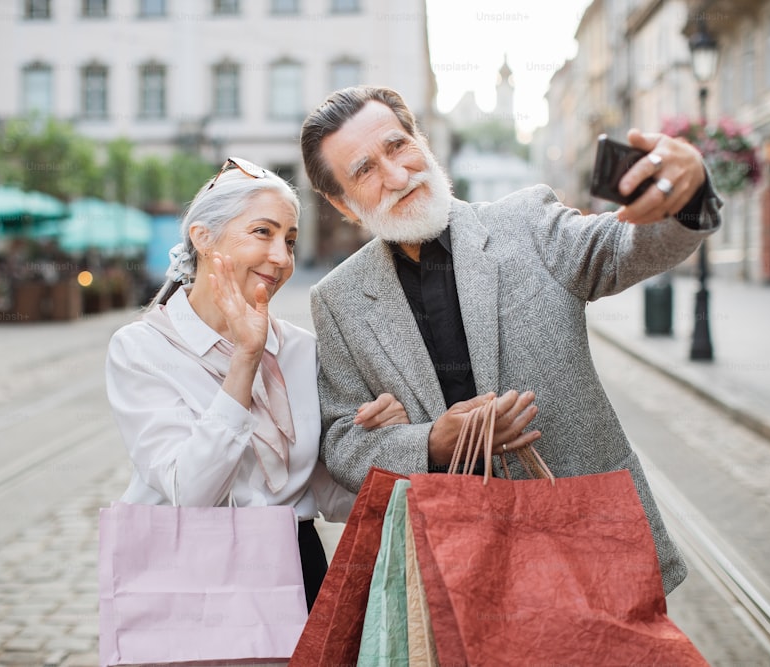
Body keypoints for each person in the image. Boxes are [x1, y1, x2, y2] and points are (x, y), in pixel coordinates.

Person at [300, 86, 722, 594]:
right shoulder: (337, 299)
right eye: (364, 170)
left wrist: (689, 192)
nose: (395, 176)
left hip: (590, 541)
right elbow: (343, 440)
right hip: (451, 565)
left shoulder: (527, 220)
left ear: (422, 142)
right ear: (341, 203)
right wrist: (431, 442)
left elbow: (623, 248)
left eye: (397, 147)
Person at [105, 157, 409, 611]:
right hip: (190, 578)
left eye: (289, 240)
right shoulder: (141, 349)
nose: (282, 258)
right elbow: (191, 493)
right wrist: (246, 358)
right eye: (262, 233)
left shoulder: (301, 350)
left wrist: (385, 443)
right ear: (203, 238)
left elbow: (327, 493)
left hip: (294, 571)